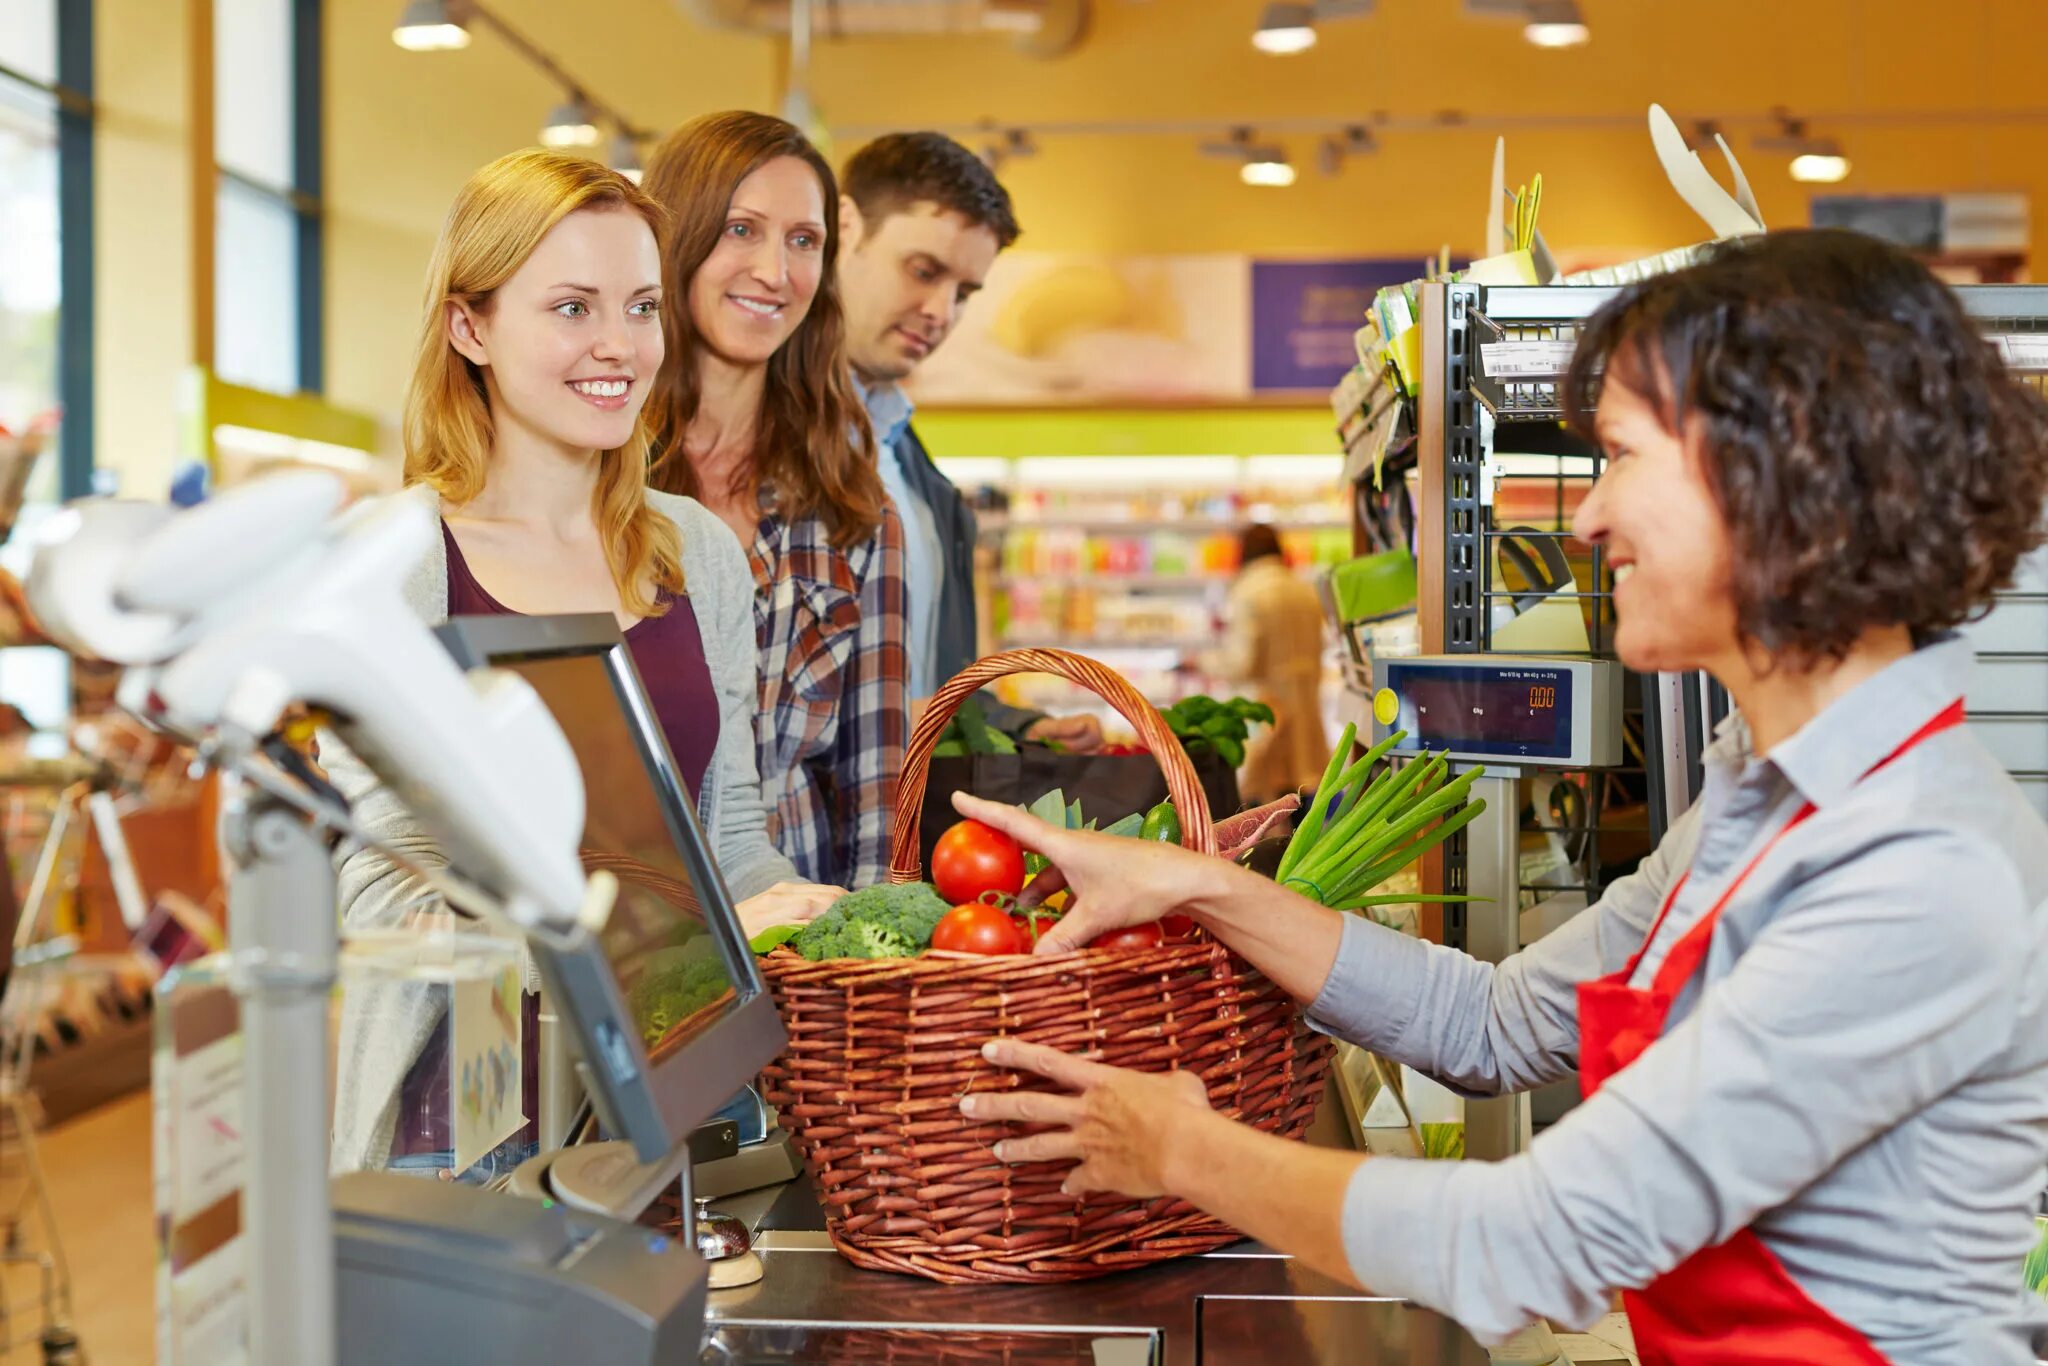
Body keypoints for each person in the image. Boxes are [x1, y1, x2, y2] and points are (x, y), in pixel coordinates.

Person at [951, 230, 2048, 1362]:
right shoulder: (1760, 795)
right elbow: (1493, 1021)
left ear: (1788, 471)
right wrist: (1197, 884)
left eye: (1620, 456)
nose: (1584, 518)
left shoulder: (1914, 863)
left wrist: (1182, 1149)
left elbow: (1536, 1241)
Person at [327, 148, 837, 1178]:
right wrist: (681, 938)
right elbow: (384, 888)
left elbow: (729, 831)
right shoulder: (395, 563)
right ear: (470, 326)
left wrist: (809, 919)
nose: (618, 346)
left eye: (642, 307)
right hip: (468, 1114)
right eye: (571, 308)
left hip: (688, 1099)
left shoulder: (696, 552)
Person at [642, 112, 906, 891]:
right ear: (675, 239)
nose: (775, 271)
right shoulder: (599, 481)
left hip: (792, 925)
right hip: (623, 911)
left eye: (803, 241)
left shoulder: (852, 508)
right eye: (740, 229)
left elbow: (875, 789)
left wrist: (869, 972)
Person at [836, 131, 1101, 749]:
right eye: (923, 271)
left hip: (905, 827)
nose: (941, 311)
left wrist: (1019, 725)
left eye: (963, 292)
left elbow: (930, 681)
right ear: (847, 230)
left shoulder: (909, 461)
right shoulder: (760, 439)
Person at [1209, 522, 1329, 803]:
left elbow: (1241, 664)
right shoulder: (1304, 590)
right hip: (1307, 712)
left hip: (1265, 716)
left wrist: (1203, 663)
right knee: (1302, 801)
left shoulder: (1247, 592)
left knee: (1264, 809)